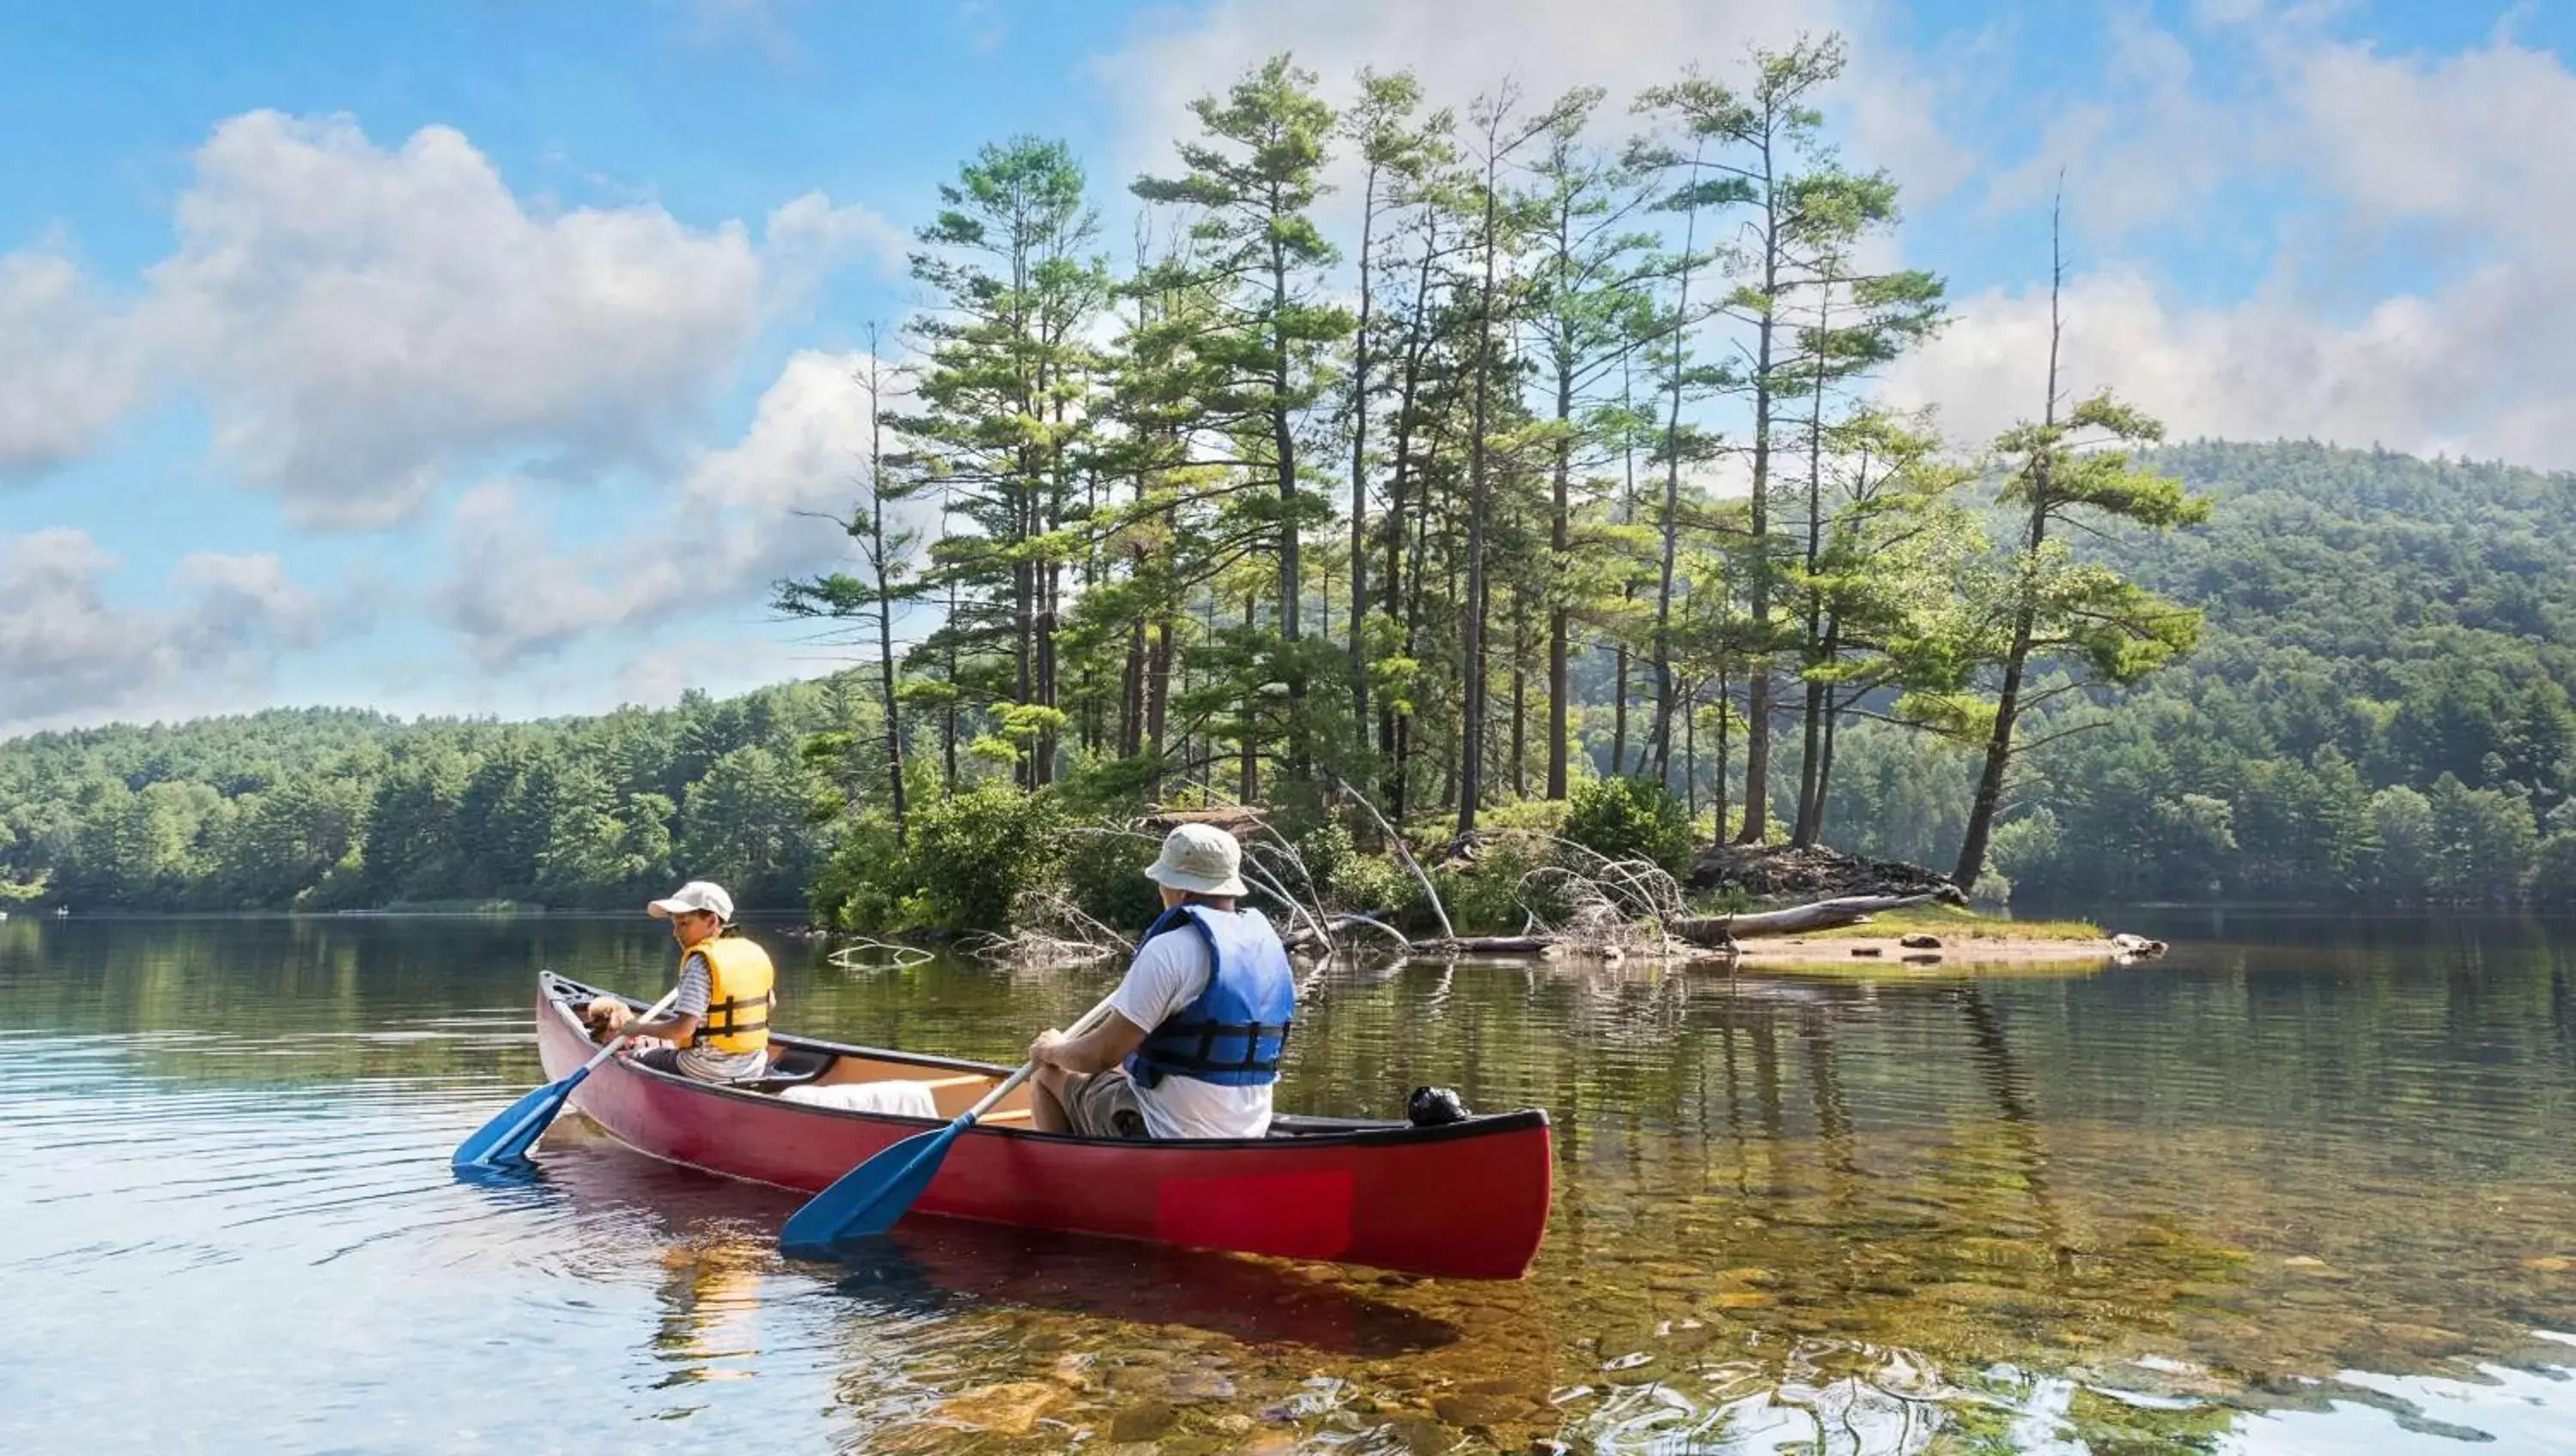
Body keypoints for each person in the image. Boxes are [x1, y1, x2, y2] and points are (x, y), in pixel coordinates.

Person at [1026, 823, 1296, 1140]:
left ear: (1181, 890)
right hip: (1249, 1130)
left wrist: (1053, 1049)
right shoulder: (1269, 950)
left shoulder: (1168, 950)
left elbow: (1100, 1055)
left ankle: (1068, 1183)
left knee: (1047, 1075)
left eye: (1162, 883)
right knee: (1120, 1071)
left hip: (1165, 1132)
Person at [593, 880, 776, 1083]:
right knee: (669, 1045)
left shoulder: (700, 963)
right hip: (754, 1065)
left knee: (633, 1058)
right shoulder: (752, 953)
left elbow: (683, 1029)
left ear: (712, 921)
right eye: (675, 924)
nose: (676, 932)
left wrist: (638, 1028)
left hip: (704, 1068)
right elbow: (770, 1004)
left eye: (684, 923)